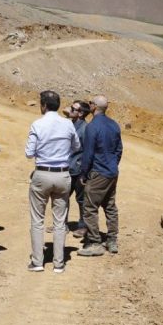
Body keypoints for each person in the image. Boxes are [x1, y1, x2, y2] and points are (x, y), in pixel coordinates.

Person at [25, 90, 80, 273]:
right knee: (59, 221)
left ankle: (38, 262)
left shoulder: (37, 124)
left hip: (42, 173)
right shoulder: (68, 124)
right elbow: (76, 146)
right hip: (63, 175)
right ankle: (58, 263)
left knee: (37, 220)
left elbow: (29, 153)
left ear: (43, 105)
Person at [78, 95, 123, 257]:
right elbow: (119, 150)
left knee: (90, 208)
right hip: (112, 172)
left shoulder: (92, 127)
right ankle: (112, 240)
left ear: (94, 107)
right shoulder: (114, 125)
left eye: (90, 103)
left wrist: (84, 173)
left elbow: (88, 153)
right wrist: (112, 164)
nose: (88, 105)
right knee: (110, 206)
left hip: (98, 172)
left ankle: (95, 242)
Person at [67, 100, 91, 238]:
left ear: (81, 113)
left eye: (73, 108)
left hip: (78, 169)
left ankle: (83, 226)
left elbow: (88, 150)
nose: (70, 110)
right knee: (63, 198)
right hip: (67, 167)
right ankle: (61, 224)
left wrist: (84, 171)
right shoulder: (70, 124)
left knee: (81, 199)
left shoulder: (85, 129)